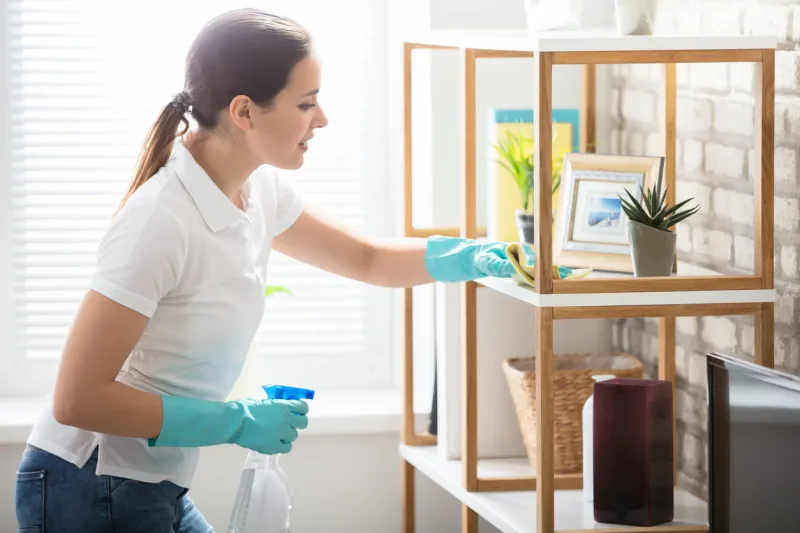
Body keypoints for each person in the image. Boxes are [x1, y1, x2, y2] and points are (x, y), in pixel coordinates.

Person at [14, 8, 527, 533]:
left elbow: (367, 259)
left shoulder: (257, 191)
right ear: (244, 112)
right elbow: (78, 398)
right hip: (89, 484)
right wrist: (234, 421)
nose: (321, 119)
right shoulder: (159, 221)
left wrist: (469, 256)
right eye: (306, 103)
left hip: (146, 485)